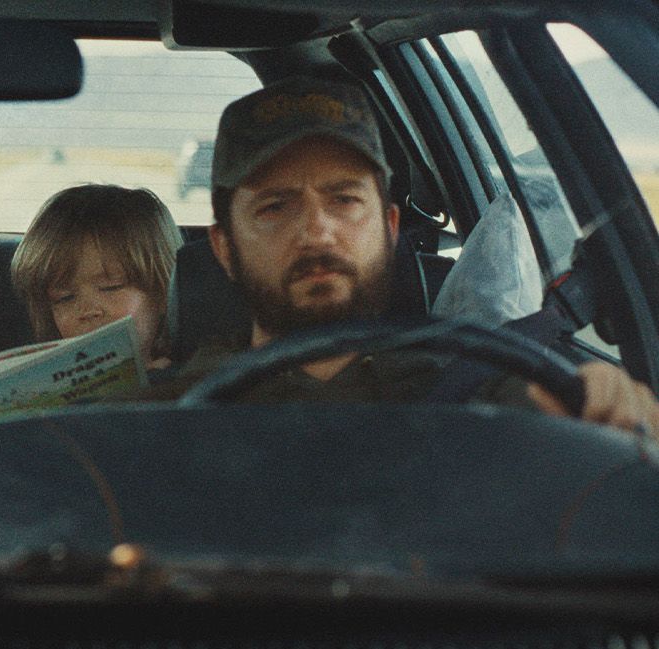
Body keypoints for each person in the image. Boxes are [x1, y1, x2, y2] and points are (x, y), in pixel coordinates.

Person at [162, 75, 659, 434]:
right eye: (275, 206)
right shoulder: (152, 419)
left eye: (345, 200)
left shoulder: (482, 401)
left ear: (391, 227)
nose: (317, 231)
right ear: (224, 247)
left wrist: (608, 409)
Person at [10, 184, 183, 371]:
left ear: (163, 292)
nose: (88, 311)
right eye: (64, 298)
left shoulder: (190, 385)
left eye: (111, 287)